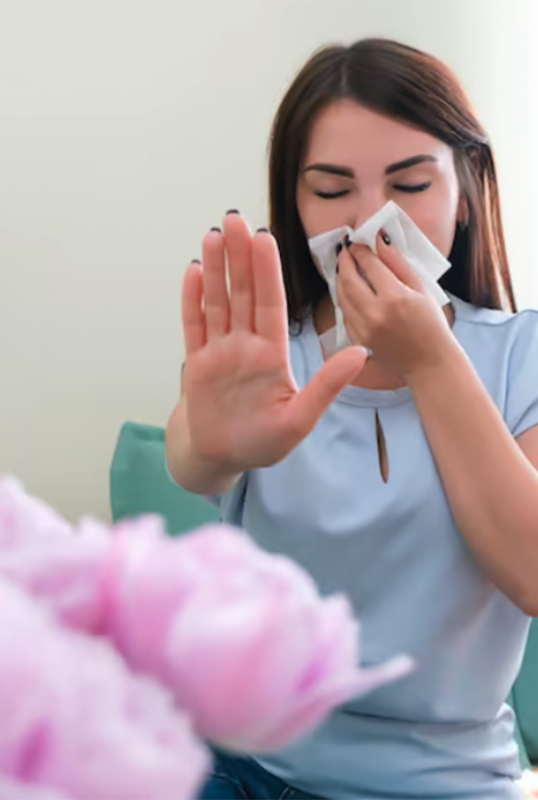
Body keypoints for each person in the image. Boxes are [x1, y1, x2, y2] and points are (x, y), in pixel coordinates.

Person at [165, 38, 538, 800]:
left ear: (465, 193)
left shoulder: (522, 355)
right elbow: (191, 458)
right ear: (294, 205)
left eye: (410, 184)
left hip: (449, 783)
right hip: (244, 770)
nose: (372, 222)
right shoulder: (264, 354)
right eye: (332, 191)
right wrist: (207, 446)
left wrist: (431, 360)